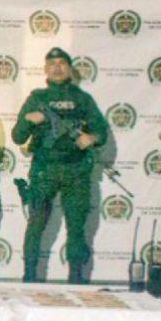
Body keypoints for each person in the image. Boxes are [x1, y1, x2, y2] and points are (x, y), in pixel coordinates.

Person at [12, 47, 108, 283]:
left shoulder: (82, 99)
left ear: (70, 68)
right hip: (45, 169)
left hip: (76, 170)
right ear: (45, 69)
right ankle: (29, 277)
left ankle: (76, 278)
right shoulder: (37, 98)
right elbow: (17, 137)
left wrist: (91, 138)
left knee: (76, 227)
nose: (57, 67)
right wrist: (29, 120)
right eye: (52, 63)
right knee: (36, 225)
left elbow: (101, 131)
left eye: (62, 63)